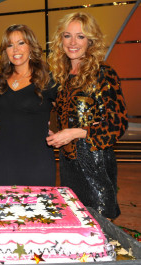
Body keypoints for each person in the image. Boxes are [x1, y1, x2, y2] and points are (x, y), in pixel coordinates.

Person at [46, 12, 128, 219]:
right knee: (76, 222)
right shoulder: (61, 76)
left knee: (100, 227)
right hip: (68, 164)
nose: (73, 42)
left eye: (80, 36)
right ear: (60, 40)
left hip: (95, 162)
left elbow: (118, 124)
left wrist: (75, 133)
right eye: (67, 35)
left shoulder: (103, 73)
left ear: (90, 41)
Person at [0, 24, 57, 186]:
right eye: (10, 45)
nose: (15, 50)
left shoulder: (47, 80)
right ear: (5, 51)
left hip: (37, 163)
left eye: (21, 43)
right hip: (4, 162)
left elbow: (68, 110)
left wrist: (57, 129)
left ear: (31, 46)